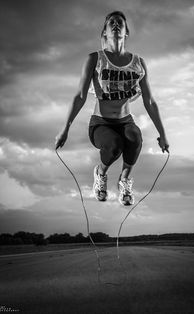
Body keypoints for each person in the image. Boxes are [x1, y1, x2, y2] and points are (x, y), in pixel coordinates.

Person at [55, 11, 169, 206]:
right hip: (101, 123)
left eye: (120, 23)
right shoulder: (95, 59)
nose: (116, 25)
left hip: (125, 121)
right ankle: (100, 174)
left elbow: (149, 101)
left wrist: (163, 134)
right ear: (105, 32)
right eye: (111, 23)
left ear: (126, 32)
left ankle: (124, 181)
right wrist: (64, 130)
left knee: (135, 137)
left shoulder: (138, 63)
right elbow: (80, 96)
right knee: (115, 145)